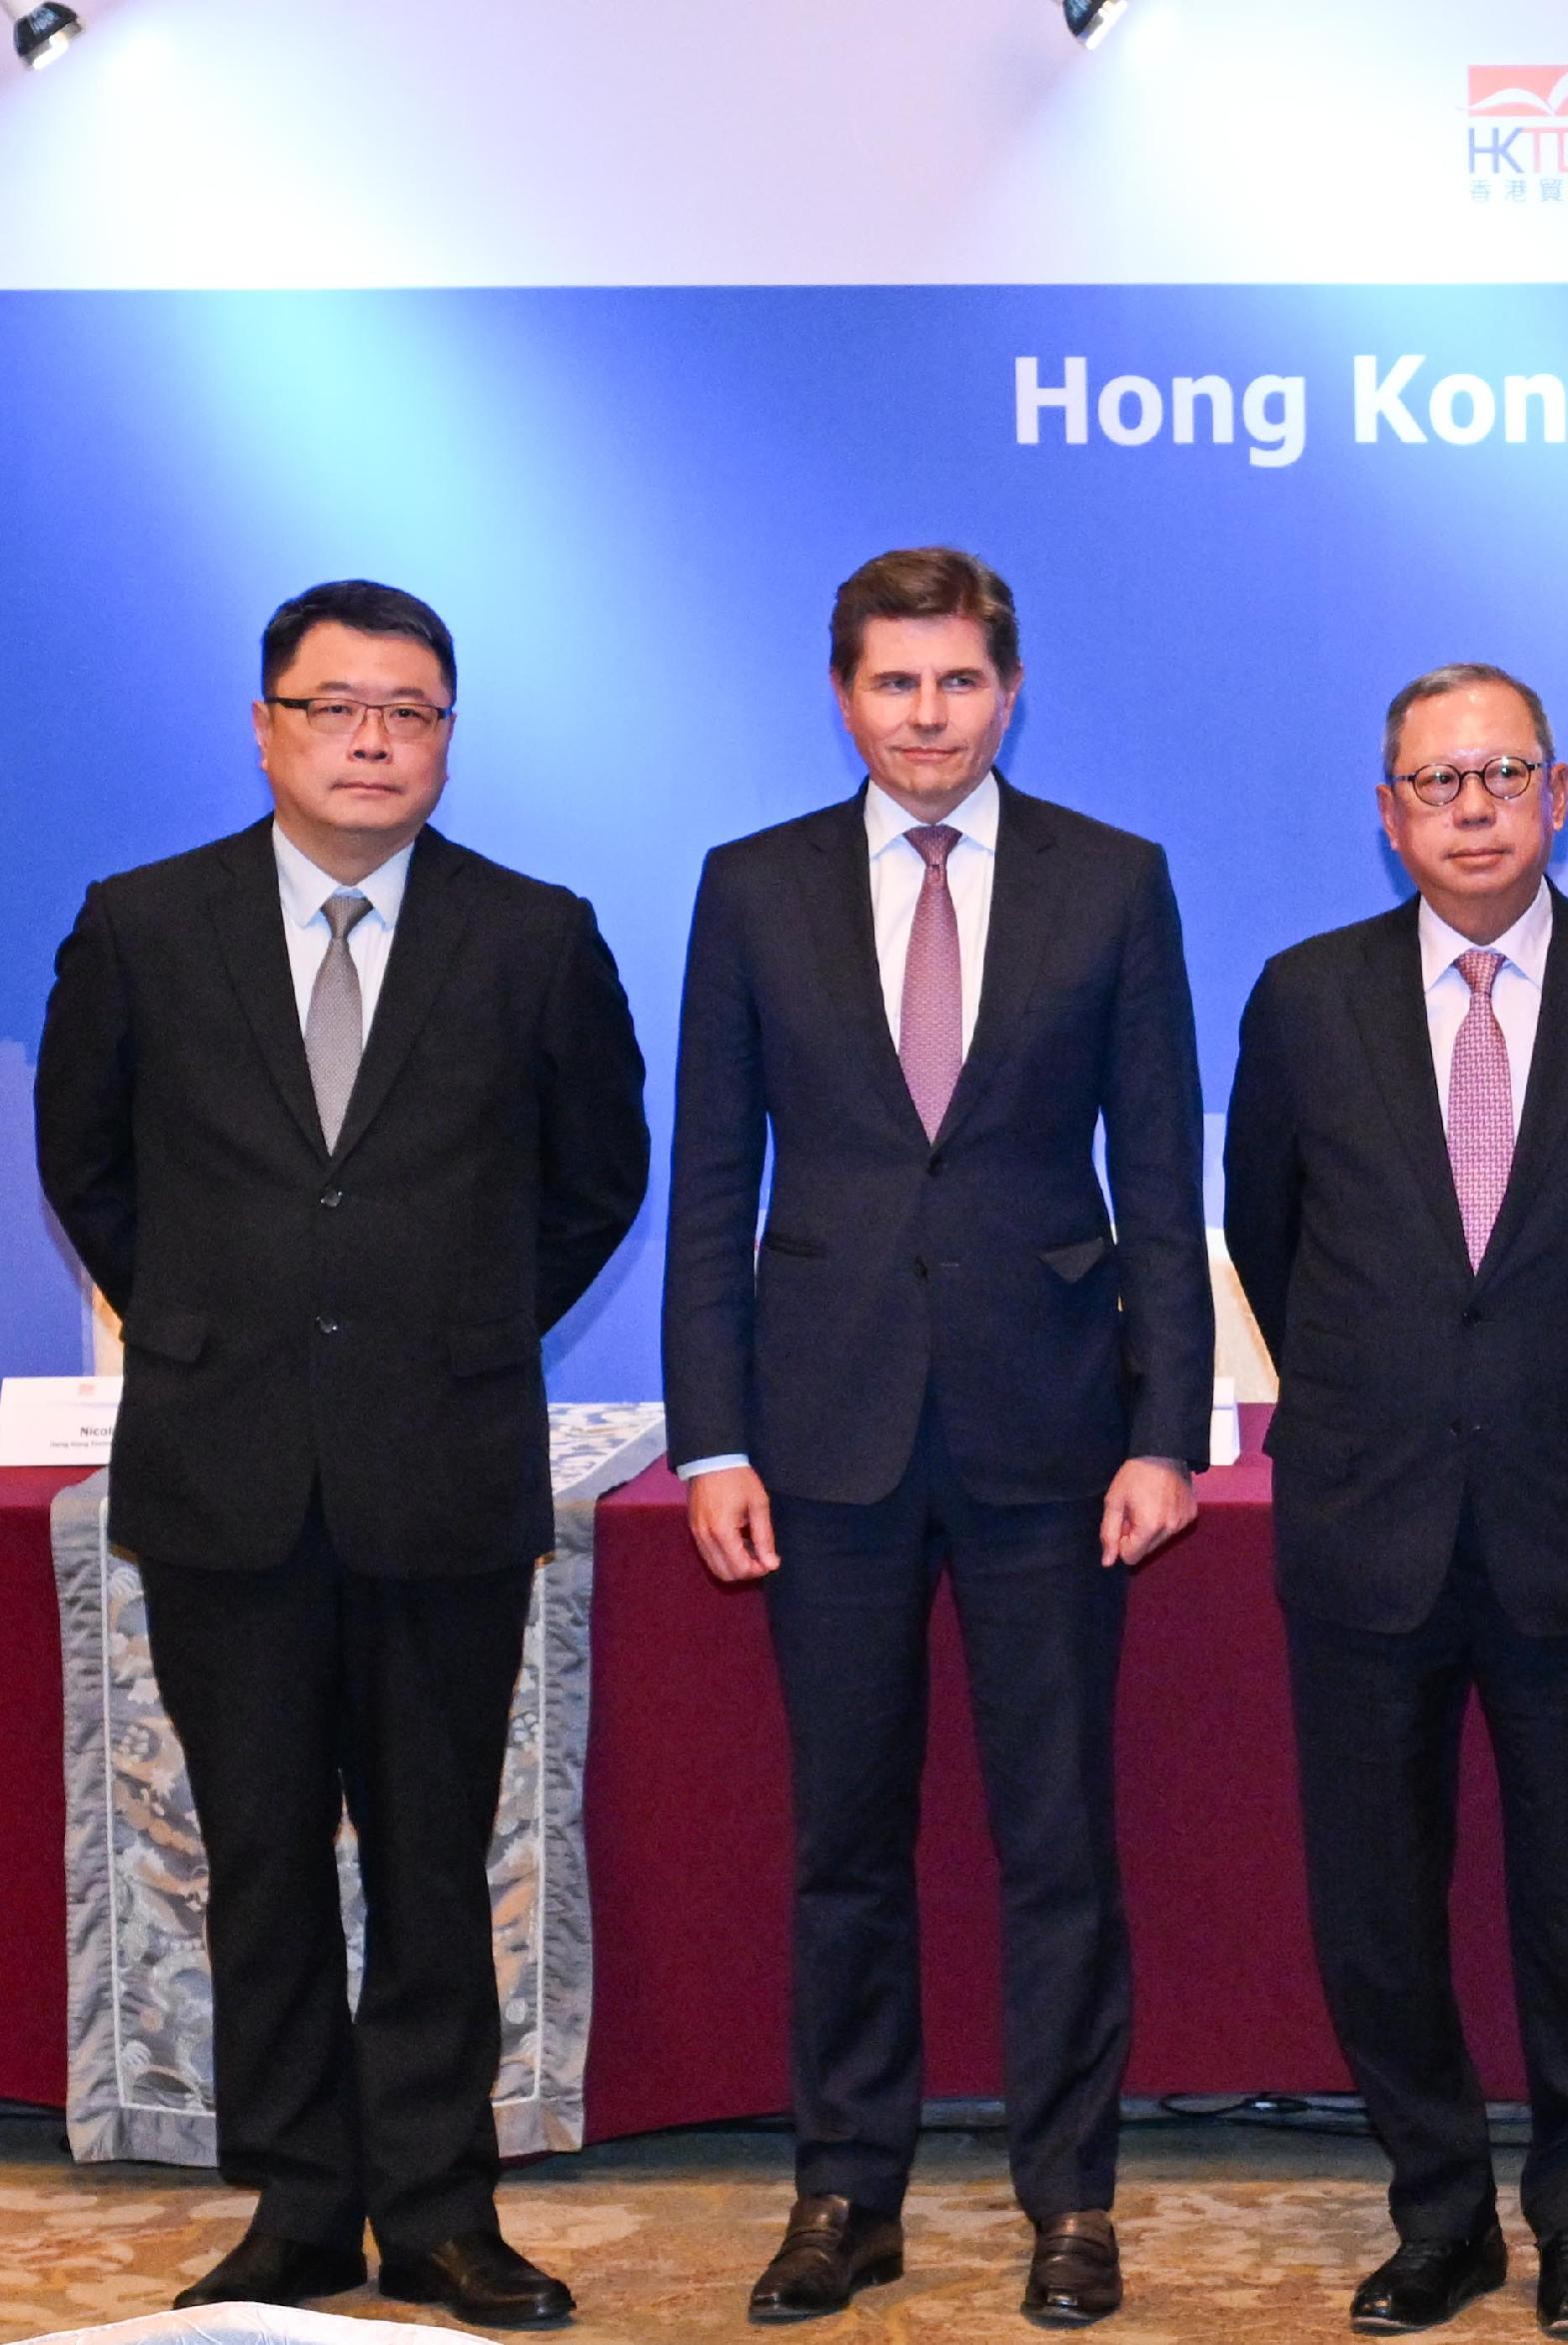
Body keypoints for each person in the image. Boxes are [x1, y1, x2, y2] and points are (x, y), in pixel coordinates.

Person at [34, 580, 647, 2327]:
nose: (374, 740)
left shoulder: (535, 933)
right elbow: (91, 1163)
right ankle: (300, 2204)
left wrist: (450, 1323)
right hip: (226, 1474)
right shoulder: (143, 923)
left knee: (441, 1860)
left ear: (448, 737)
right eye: (336, 707)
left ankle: (444, 2209)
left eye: (413, 712)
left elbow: (594, 1177)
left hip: (442, 1466)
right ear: (265, 727)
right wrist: (221, 1322)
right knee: (264, 1858)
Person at [663, 548, 1212, 2328]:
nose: (925, 715)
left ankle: (1071, 2196)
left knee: (1058, 1835)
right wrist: (711, 1437)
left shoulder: (1112, 882)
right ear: (845, 695)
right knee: (845, 1835)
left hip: (1056, 1433)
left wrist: (1166, 1429)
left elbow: (1162, 1173)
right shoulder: (749, 888)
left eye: (957, 683)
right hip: (817, 1437)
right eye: (893, 684)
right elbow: (708, 1185)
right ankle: (845, 2186)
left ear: (1010, 688)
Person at [1220, 662, 1568, 2340]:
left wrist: (1555, 1394)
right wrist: (1399, 1400)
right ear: (1386, 813)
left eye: (1501, 774)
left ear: (1560, 792)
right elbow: (1270, 1238)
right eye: (1434, 783)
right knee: (1377, 1898)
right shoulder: (1303, 998)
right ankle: (1436, 2209)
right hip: (1366, 1519)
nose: (1470, 807)